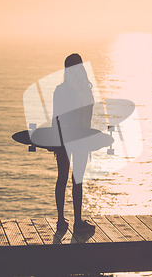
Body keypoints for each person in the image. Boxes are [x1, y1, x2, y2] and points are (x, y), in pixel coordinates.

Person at [53, 53, 95, 233]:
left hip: (63, 137)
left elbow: (56, 117)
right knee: (77, 180)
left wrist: (55, 141)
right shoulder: (86, 91)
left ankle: (61, 221)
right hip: (80, 138)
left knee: (62, 178)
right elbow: (87, 119)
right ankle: (77, 222)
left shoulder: (60, 90)